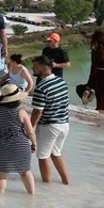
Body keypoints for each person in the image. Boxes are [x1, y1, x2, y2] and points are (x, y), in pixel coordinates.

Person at [0, 84, 37, 195]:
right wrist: (34, 143)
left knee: (1, 175)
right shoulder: (21, 111)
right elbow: (30, 131)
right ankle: (31, 196)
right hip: (21, 145)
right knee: (25, 172)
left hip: (0, 146)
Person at [29, 55, 70, 186]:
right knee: (56, 153)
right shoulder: (61, 82)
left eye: (35, 66)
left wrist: (29, 128)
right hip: (64, 124)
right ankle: (66, 182)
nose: (33, 68)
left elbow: (37, 111)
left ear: (44, 67)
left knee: (42, 156)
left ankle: (46, 186)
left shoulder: (41, 87)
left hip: (49, 126)